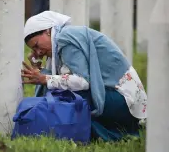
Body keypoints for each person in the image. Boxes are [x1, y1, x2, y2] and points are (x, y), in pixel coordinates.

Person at [21, 11, 147, 142]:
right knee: (62, 94)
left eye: (37, 45)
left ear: (47, 31)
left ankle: (102, 133)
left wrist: (45, 79)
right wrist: (39, 68)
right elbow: (64, 78)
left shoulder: (65, 38)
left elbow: (82, 81)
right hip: (118, 98)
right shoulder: (61, 39)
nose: (39, 51)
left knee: (70, 97)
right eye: (34, 50)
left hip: (124, 100)